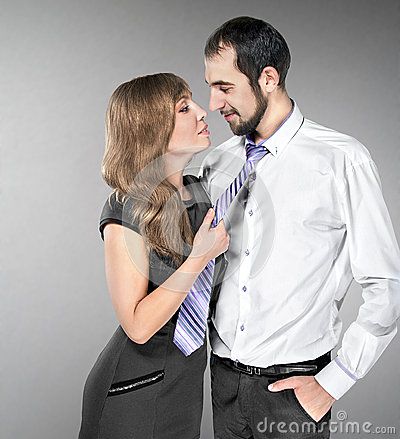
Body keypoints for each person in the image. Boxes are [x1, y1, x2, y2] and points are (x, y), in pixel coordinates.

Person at [199, 16, 400, 438]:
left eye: (225, 87)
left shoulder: (343, 160)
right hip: (222, 383)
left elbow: (386, 285)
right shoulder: (217, 163)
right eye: (210, 87)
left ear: (268, 78)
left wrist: (334, 382)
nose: (214, 103)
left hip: (293, 392)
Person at [78, 72, 230, 439]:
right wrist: (197, 260)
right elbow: (138, 325)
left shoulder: (200, 194)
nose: (201, 111)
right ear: (152, 128)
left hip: (186, 383)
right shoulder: (126, 207)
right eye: (183, 107)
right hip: (132, 389)